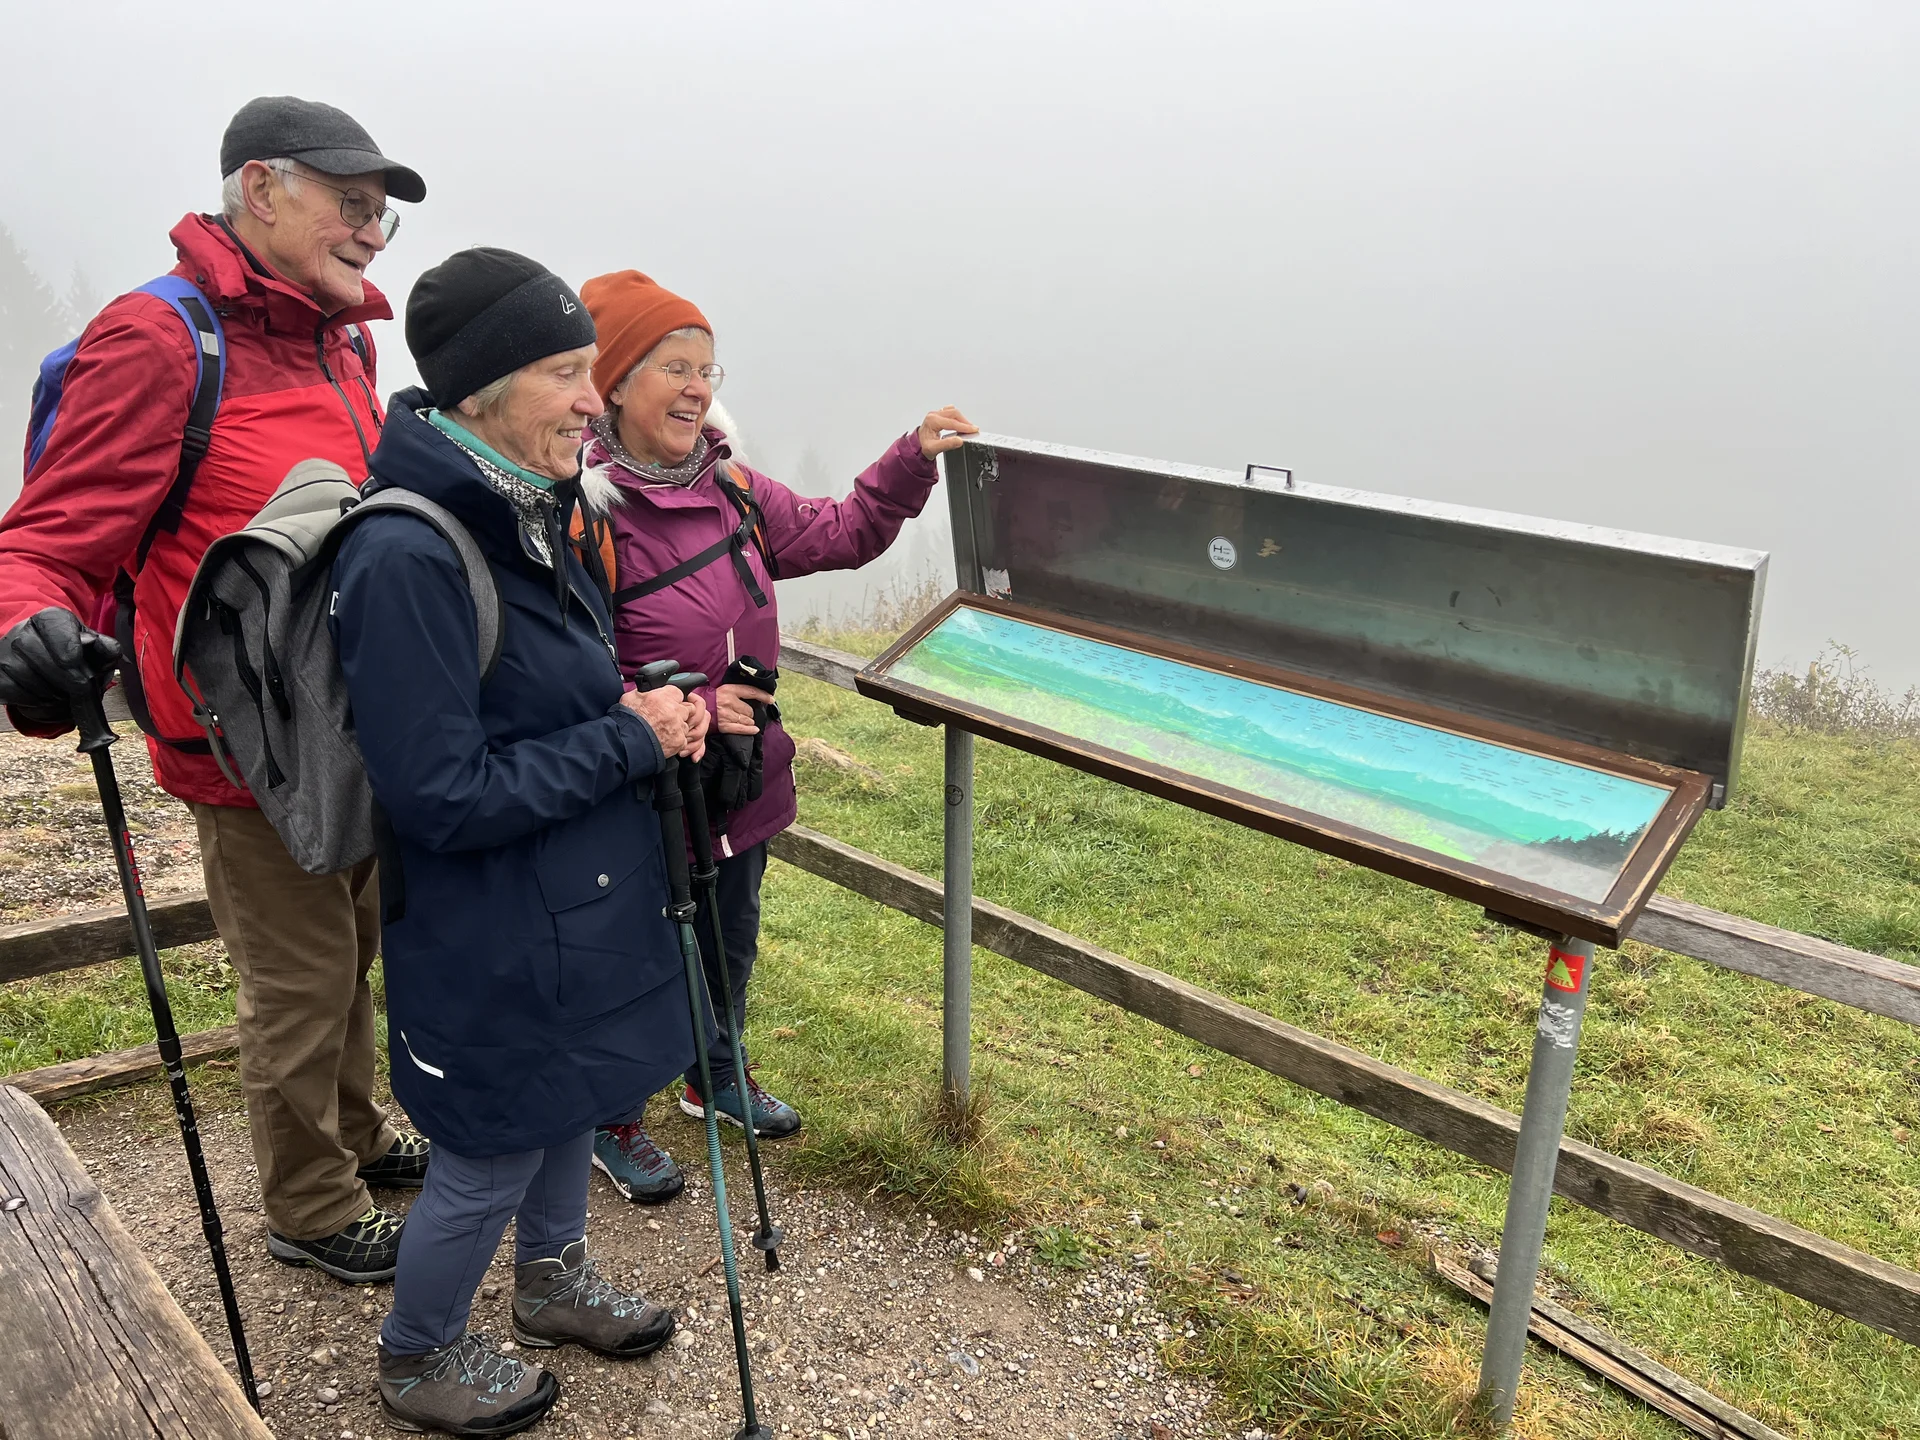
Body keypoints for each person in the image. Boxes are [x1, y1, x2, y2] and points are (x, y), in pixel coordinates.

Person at [0, 96, 431, 1282]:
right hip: (241, 744)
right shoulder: (157, 339)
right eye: (352, 205)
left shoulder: (341, 338)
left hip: (343, 722)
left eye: (380, 215)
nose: (371, 232)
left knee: (349, 950)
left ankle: (349, 1137)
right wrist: (28, 628)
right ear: (261, 189)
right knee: (296, 984)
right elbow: (42, 541)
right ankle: (309, 1206)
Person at [330, 247, 710, 1436]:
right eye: (565, 372)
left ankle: (549, 1286)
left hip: (571, 902)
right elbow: (440, 795)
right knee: (489, 1145)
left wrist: (640, 708)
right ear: (481, 390)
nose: (595, 401)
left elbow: (541, 701)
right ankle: (417, 1353)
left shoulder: (528, 509)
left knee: (566, 1101)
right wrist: (630, 743)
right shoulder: (410, 553)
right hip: (484, 927)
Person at [578, 268, 975, 1203]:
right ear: (614, 380)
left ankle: (714, 1073)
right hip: (642, 781)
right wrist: (674, 703)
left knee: (730, 939)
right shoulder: (583, 513)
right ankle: (610, 1116)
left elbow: (840, 532)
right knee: (638, 954)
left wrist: (911, 458)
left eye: (708, 368)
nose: (698, 387)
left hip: (741, 776)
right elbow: (564, 664)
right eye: (674, 365)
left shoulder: (733, 488)